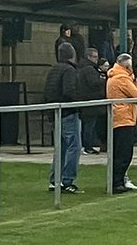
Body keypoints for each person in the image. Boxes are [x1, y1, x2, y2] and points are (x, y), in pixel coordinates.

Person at [44, 42, 83, 193]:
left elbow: (48, 91)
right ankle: (67, 180)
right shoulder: (69, 70)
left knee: (60, 147)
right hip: (68, 112)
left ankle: (55, 180)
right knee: (74, 146)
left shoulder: (53, 70)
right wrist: (79, 102)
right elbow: (69, 91)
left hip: (55, 113)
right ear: (72, 55)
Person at [107, 54, 137, 193]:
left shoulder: (114, 75)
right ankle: (117, 182)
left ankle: (118, 180)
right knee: (124, 153)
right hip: (124, 117)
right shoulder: (122, 78)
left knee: (119, 152)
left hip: (119, 117)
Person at [77, 48, 108, 155]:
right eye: (95, 57)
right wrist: (103, 80)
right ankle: (87, 146)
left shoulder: (81, 68)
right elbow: (93, 83)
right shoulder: (89, 69)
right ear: (88, 57)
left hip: (85, 100)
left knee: (88, 125)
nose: (97, 59)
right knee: (89, 125)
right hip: (90, 101)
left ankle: (87, 145)